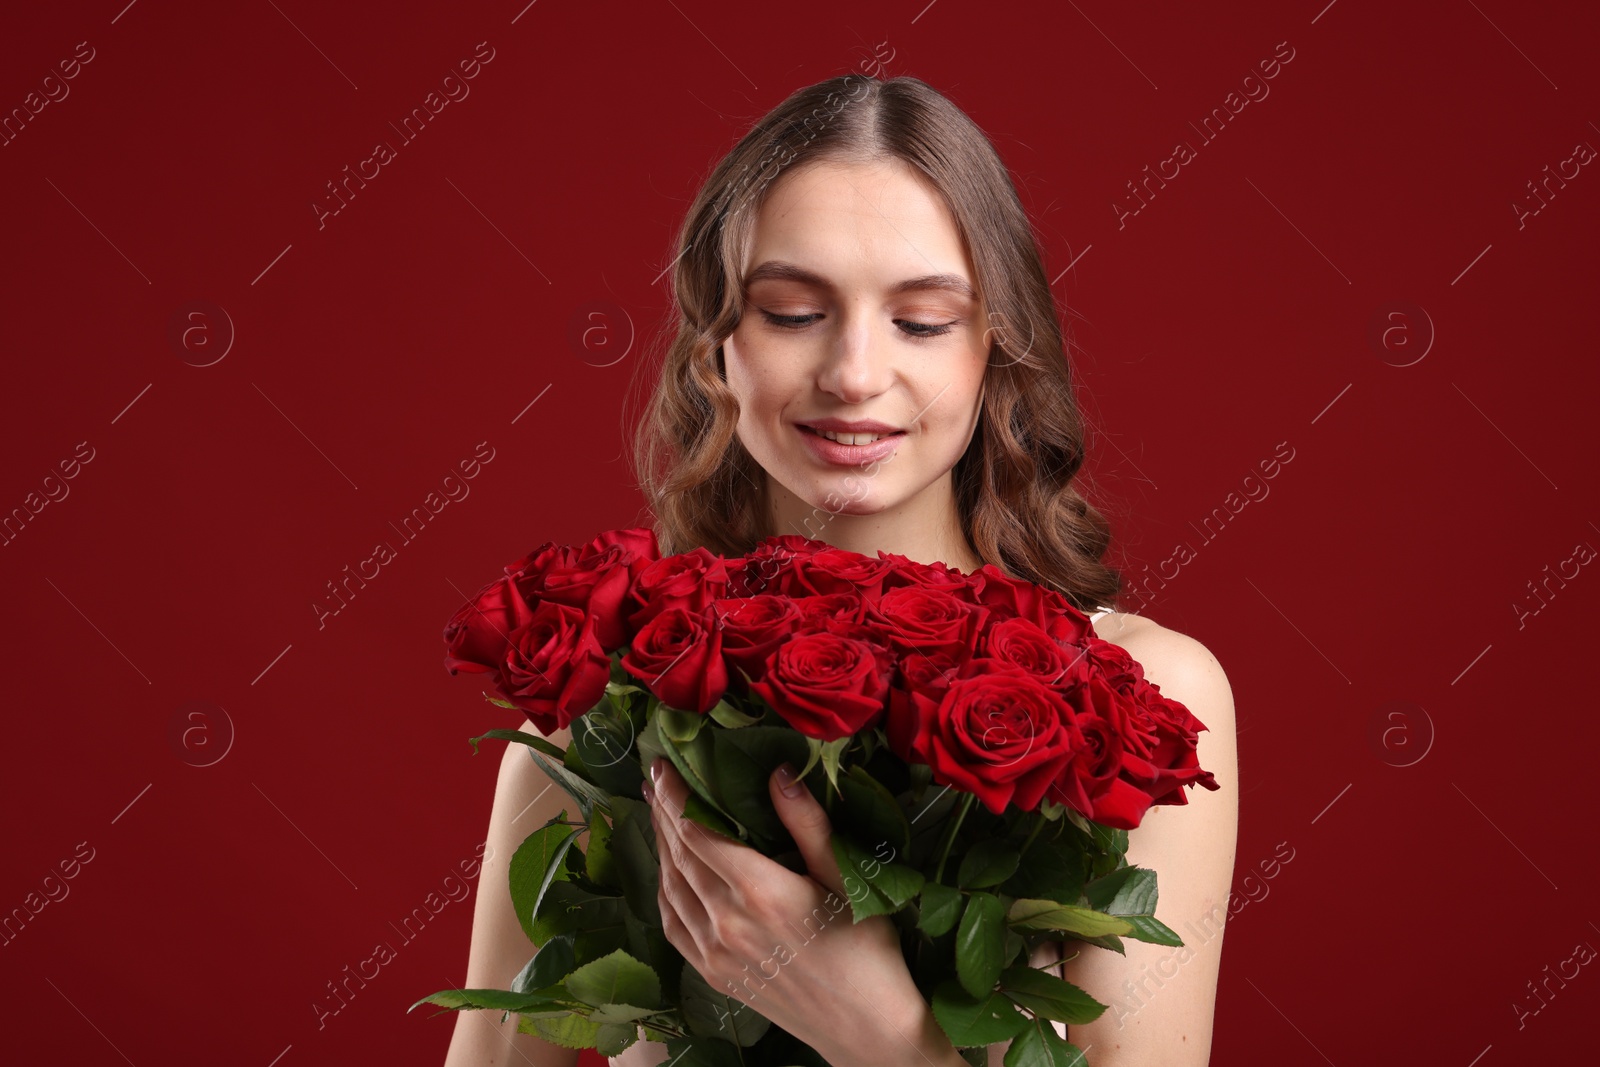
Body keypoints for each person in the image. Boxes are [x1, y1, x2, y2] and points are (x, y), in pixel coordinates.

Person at [444, 73, 1238, 1067]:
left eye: (922, 321)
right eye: (789, 313)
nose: (855, 373)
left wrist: (884, 1035)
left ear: (995, 347)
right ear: (713, 349)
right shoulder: (601, 720)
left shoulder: (1139, 700)